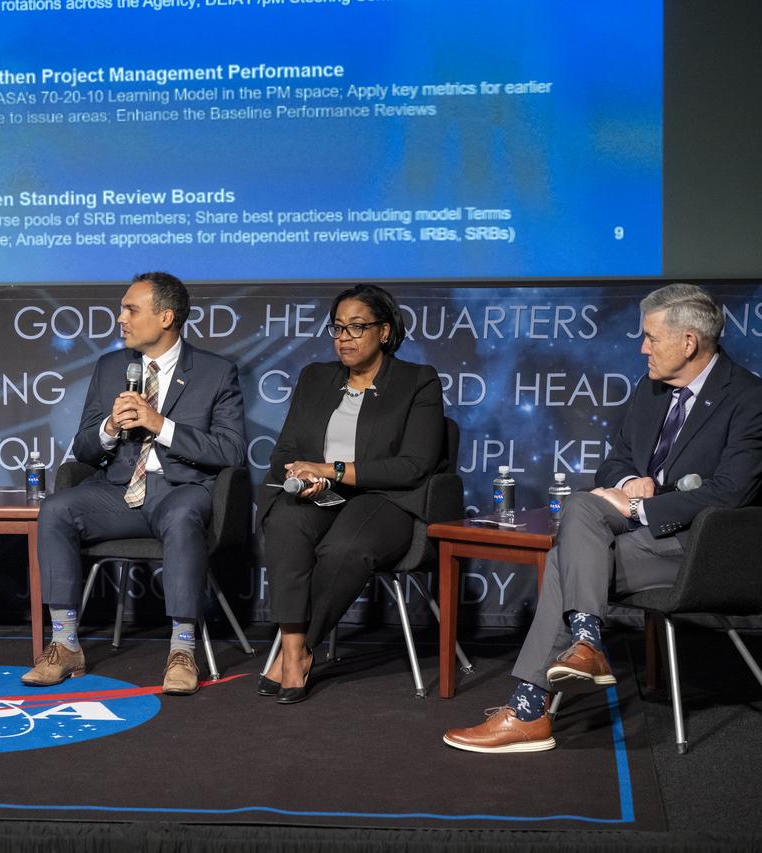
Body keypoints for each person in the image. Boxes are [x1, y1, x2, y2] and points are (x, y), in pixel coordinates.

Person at [444, 283, 762, 753]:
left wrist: (640, 506)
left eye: (651, 338)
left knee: (563, 562)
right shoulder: (651, 390)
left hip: (703, 549)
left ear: (689, 342)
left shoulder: (749, 398)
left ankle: (534, 704)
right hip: (642, 534)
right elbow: (614, 461)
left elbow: (733, 493)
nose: (642, 348)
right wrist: (632, 481)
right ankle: (583, 647)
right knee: (579, 504)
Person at [22, 272, 246, 695]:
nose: (120, 318)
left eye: (131, 309)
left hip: (179, 491)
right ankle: (64, 644)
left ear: (165, 317)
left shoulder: (216, 373)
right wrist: (109, 426)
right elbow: (86, 449)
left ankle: (182, 649)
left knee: (182, 516)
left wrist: (160, 425)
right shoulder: (111, 367)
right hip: (118, 492)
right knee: (56, 509)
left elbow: (232, 452)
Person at [257, 284, 444, 704]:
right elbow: (285, 450)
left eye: (357, 327)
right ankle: (293, 653)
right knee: (285, 521)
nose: (344, 337)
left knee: (345, 548)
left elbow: (414, 466)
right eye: (338, 328)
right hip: (321, 494)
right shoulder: (315, 377)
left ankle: (298, 652)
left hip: (385, 499)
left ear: (385, 331)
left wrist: (332, 470)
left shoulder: (418, 382)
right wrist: (305, 477)